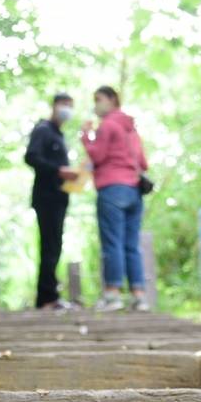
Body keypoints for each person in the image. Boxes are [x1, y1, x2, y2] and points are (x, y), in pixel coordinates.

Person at [80, 85, 149, 312]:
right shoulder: (131, 129)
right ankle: (139, 297)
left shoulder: (108, 125)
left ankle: (113, 295)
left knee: (113, 242)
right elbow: (143, 163)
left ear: (111, 100)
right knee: (131, 245)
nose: (96, 104)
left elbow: (97, 155)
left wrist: (86, 136)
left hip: (112, 188)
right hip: (134, 190)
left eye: (98, 99)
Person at [23, 92, 80, 309]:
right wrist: (59, 171)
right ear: (55, 105)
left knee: (54, 245)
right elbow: (31, 157)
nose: (67, 109)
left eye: (70, 105)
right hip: (46, 198)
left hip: (59, 198)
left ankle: (48, 297)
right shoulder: (43, 130)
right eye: (64, 104)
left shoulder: (58, 134)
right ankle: (47, 298)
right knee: (49, 246)